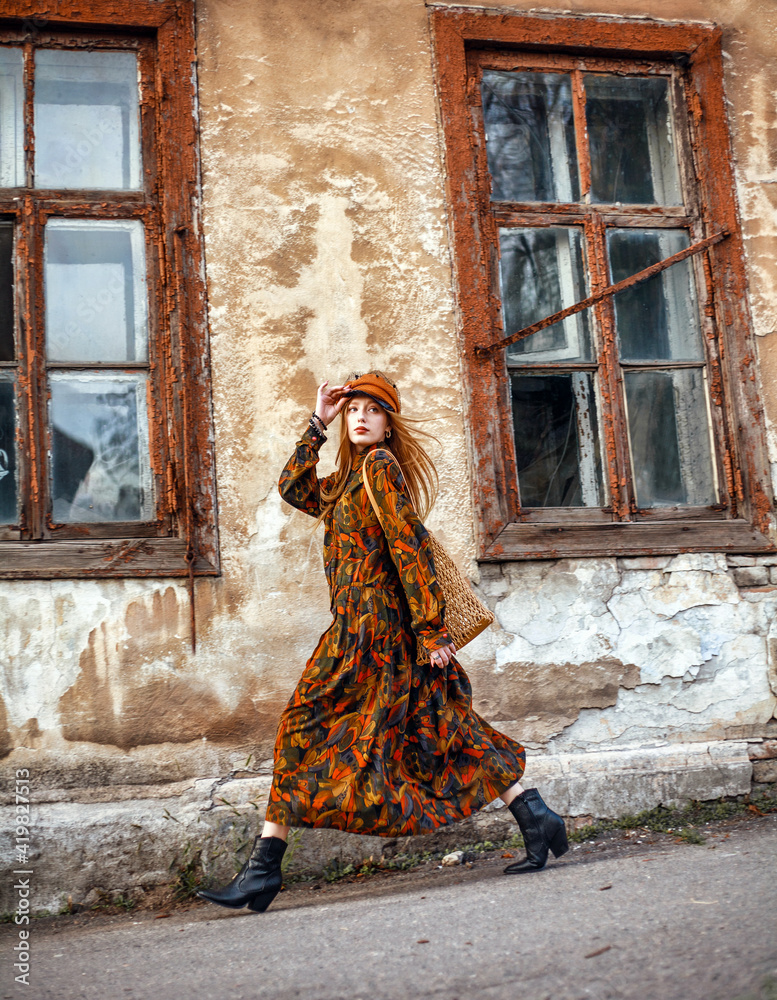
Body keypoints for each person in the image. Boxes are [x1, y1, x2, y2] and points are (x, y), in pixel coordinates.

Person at [197, 372, 568, 914]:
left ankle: (262, 871)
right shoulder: (348, 480)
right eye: (354, 410)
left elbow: (410, 548)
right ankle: (535, 815)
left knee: (304, 725)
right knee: (441, 725)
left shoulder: (380, 468)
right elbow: (294, 488)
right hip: (359, 627)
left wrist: (430, 631)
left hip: (377, 632)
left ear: (389, 424)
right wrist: (317, 422)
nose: (362, 417)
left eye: (374, 409)